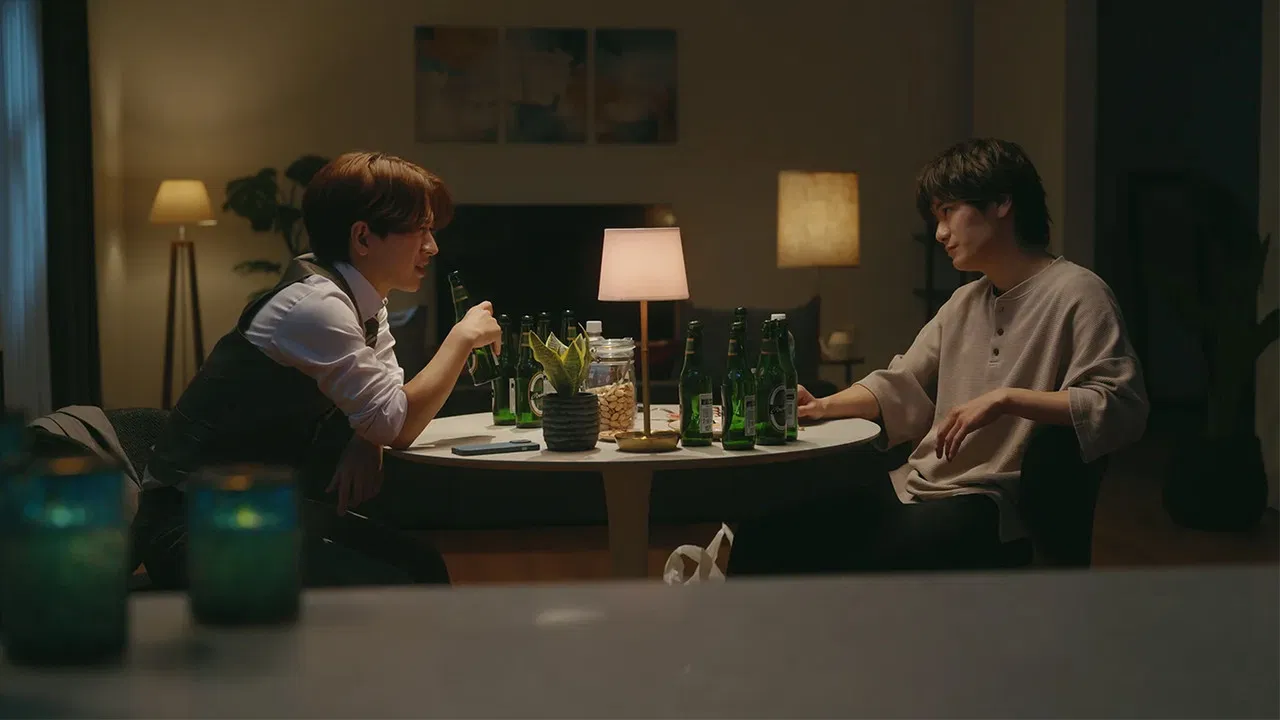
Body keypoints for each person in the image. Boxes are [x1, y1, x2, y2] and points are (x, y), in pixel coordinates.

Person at [727, 138, 1150, 576]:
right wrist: (822, 405)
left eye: (948, 211)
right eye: (937, 217)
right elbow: (902, 381)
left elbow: (1120, 404)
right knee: (763, 532)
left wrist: (1007, 399)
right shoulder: (964, 302)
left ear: (1002, 202)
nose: (940, 233)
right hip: (917, 485)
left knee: (861, 553)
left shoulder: (1079, 293)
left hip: (992, 501)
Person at [134, 151, 502, 588]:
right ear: (362, 237)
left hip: (255, 507)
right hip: (190, 524)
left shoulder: (363, 299)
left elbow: (386, 406)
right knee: (397, 585)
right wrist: (461, 338)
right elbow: (397, 424)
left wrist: (367, 437)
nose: (432, 246)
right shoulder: (316, 305)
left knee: (422, 566)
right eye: (419, 230)